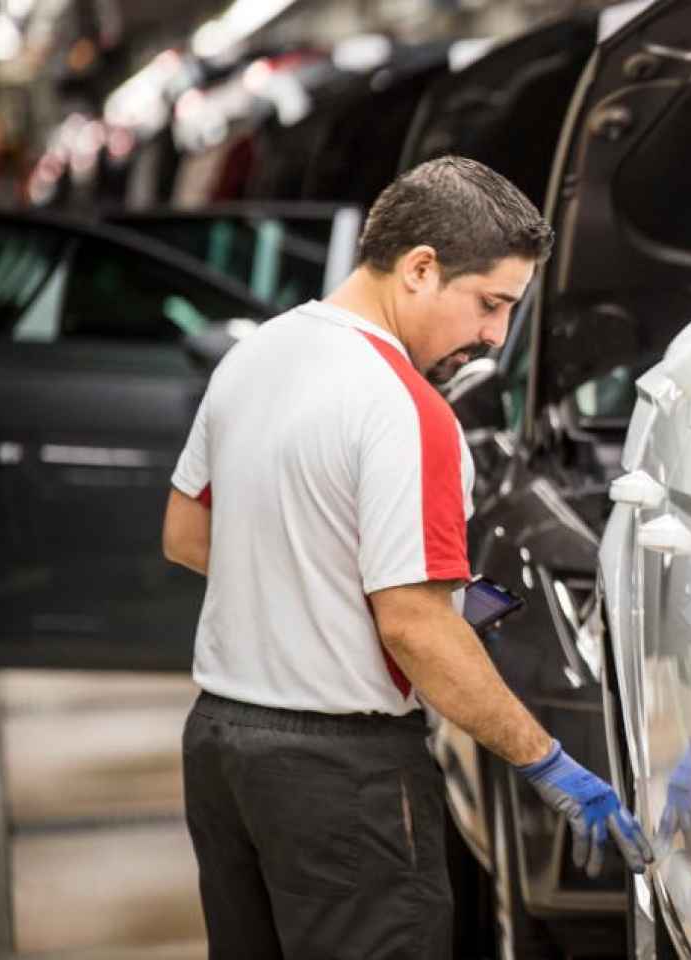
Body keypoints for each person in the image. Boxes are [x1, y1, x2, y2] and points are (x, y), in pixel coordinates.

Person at [160, 156, 651, 959]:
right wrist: (551, 763)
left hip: (222, 752)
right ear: (420, 268)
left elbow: (185, 532)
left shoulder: (256, 355)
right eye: (490, 304)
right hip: (341, 778)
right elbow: (417, 628)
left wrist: (311, 585)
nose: (495, 337)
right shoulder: (409, 411)